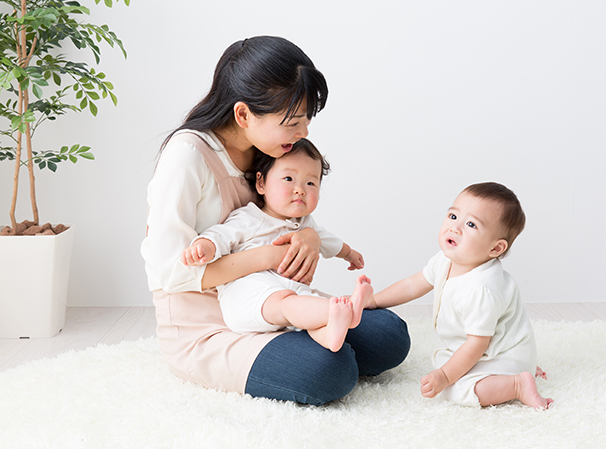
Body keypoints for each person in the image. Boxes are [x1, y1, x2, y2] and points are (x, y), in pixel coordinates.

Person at [141, 36, 410, 406]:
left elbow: (286, 213)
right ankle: (306, 352)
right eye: (293, 122)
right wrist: (268, 257)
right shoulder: (187, 157)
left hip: (273, 297)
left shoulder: (264, 147)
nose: (304, 133)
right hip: (208, 322)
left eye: (307, 120)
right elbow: (170, 273)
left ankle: (306, 341)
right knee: (330, 371)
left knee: (390, 336)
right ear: (243, 115)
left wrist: (311, 239)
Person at [368, 182, 553, 409]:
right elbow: (411, 285)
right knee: (448, 365)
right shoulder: (446, 260)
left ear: (496, 249)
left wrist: (445, 376)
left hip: (500, 356)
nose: (454, 228)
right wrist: (374, 300)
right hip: (489, 349)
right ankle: (523, 367)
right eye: (453, 216)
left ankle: (517, 383)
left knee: (455, 389)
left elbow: (477, 345)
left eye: (471, 224)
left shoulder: (481, 289)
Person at [182, 139, 374, 353]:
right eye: (289, 179)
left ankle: (331, 333)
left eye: (310, 183)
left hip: (289, 294)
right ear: (261, 183)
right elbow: (221, 235)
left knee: (306, 307)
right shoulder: (250, 217)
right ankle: (343, 311)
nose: (300, 190)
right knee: (289, 302)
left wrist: (349, 254)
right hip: (249, 296)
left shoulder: (307, 225)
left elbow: (329, 241)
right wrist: (204, 246)